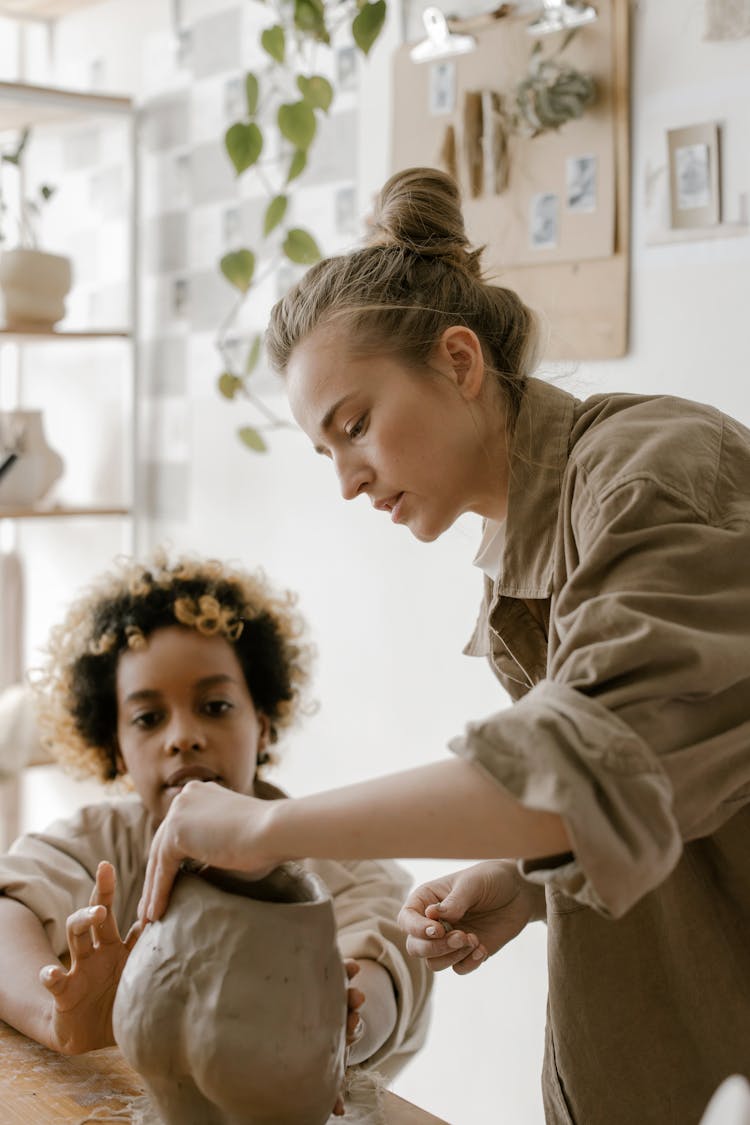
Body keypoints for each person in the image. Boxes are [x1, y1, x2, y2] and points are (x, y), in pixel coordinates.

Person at [139, 167, 750, 1125]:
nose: (347, 480)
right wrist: (529, 882)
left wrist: (264, 827)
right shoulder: (523, 556)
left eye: (356, 425)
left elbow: (587, 769)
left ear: (459, 361)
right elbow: (681, 780)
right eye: (325, 451)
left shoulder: (656, 474)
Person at [0, 551, 431, 1096]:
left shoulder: (345, 869)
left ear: (265, 725)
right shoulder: (102, 843)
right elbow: (6, 904)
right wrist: (54, 1016)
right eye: (148, 719)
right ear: (115, 748)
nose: (183, 736)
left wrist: (334, 1031)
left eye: (216, 706)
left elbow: (384, 974)